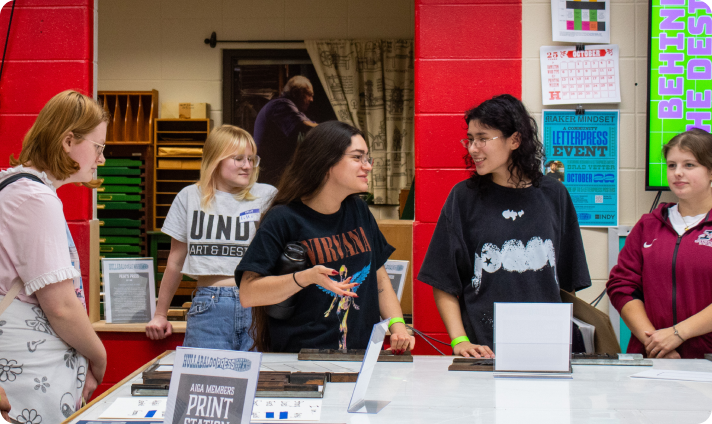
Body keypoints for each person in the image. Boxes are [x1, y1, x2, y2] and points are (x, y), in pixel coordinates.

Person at [417, 94, 592, 358]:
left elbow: (567, 283)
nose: (473, 148)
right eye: (470, 139)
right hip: (484, 351)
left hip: (548, 349)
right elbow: (443, 280)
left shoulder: (554, 195)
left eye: (483, 138)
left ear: (515, 140)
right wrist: (459, 341)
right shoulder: (463, 197)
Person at [235, 121, 414, 354]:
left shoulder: (359, 210)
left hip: (361, 355)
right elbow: (248, 293)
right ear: (327, 162)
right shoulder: (283, 218)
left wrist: (398, 326)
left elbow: (379, 279)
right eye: (357, 157)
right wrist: (306, 277)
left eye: (367, 158)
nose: (368, 166)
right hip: (302, 359)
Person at [0, 90, 108, 422]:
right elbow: (60, 306)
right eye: (98, 147)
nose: (101, 159)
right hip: (27, 379)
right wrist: (99, 357)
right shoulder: (36, 199)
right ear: (67, 141)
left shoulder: (12, 186)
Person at [145, 125, 276, 351]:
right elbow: (175, 261)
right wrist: (160, 314)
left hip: (258, 303)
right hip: (209, 305)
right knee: (204, 373)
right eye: (238, 159)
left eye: (251, 159)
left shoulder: (267, 195)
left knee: (257, 373)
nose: (247, 166)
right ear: (215, 159)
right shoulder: (189, 197)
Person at [607, 129, 712, 359]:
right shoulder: (648, 225)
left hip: (706, 361)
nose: (678, 173)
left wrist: (678, 334)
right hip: (652, 360)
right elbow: (621, 286)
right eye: (672, 165)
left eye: (689, 165)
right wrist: (655, 343)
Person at [254, 75, 318, 186]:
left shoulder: (293, 109)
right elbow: (306, 126)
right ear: (296, 92)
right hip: (270, 175)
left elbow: (310, 125)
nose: (311, 100)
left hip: (275, 172)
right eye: (309, 95)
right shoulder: (281, 105)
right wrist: (334, 130)